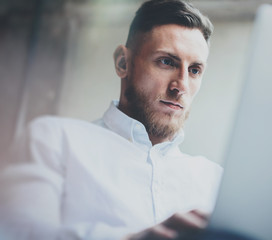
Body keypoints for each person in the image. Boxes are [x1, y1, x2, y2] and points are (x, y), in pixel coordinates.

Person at [0, 0, 224, 239]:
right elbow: (16, 232)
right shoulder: (54, 139)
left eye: (195, 70)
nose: (181, 86)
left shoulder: (216, 182)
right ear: (123, 62)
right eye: (167, 61)